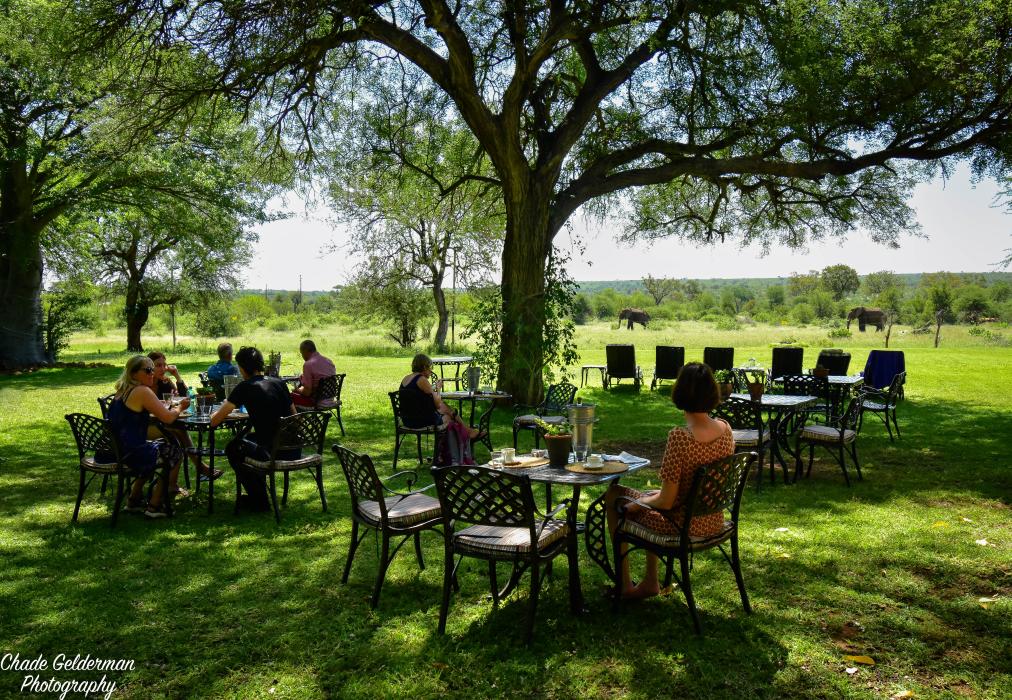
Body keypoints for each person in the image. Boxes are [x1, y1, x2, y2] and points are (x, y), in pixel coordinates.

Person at [605, 362, 734, 599]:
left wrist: (638, 504)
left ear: (680, 391)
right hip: (713, 519)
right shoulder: (726, 429)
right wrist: (647, 499)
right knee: (650, 495)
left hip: (683, 526)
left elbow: (665, 502)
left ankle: (625, 585)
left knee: (615, 496)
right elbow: (674, 494)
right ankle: (650, 581)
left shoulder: (681, 437)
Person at [101, 355, 188, 518]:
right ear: (133, 373)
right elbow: (168, 418)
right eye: (148, 370)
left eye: (152, 370)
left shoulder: (122, 390)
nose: (152, 374)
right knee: (174, 452)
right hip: (128, 453)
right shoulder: (142, 391)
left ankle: (133, 500)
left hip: (109, 451)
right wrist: (181, 407)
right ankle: (154, 506)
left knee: (156, 449)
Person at [211, 346, 297, 512]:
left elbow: (215, 421)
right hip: (293, 448)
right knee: (248, 439)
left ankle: (259, 500)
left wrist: (213, 413)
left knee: (233, 448)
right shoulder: (279, 383)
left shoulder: (245, 387)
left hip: (271, 452)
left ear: (242, 368)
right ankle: (258, 497)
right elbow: (294, 416)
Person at [146, 350, 220, 490]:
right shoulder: (144, 385)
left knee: (178, 434)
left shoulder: (165, 382)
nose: (163, 368)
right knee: (177, 432)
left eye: (164, 365)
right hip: (147, 426)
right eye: (158, 365)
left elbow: (185, 397)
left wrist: (177, 376)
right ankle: (198, 468)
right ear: (149, 367)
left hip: (163, 422)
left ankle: (175, 483)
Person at [399, 353, 478, 439]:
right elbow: (438, 404)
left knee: (446, 409)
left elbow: (420, 398)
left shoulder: (406, 378)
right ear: (425, 367)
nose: (431, 371)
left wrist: (432, 389)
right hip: (421, 422)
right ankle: (466, 435)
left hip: (407, 420)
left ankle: (467, 432)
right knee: (448, 417)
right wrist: (438, 388)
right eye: (430, 367)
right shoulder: (421, 379)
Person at [290, 339, 336, 407]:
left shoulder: (308, 364)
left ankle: (295, 414)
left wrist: (297, 390)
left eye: (302, 353)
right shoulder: (329, 361)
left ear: (305, 351)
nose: (302, 356)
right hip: (330, 399)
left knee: (288, 397)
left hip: (316, 402)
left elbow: (307, 393)